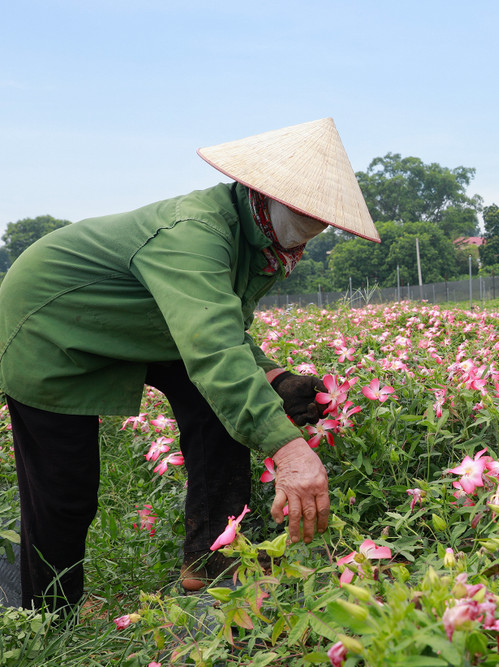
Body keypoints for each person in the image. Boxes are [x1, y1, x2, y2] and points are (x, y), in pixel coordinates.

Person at [0, 118, 381, 611]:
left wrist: (276, 380)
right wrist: (288, 450)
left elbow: (226, 329)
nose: (315, 228)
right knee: (65, 487)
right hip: (48, 325)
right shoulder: (196, 233)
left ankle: (211, 561)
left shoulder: (259, 242)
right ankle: (48, 609)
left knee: (216, 408)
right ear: (264, 194)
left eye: (323, 218)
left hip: (141, 324)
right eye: (307, 214)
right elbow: (212, 348)